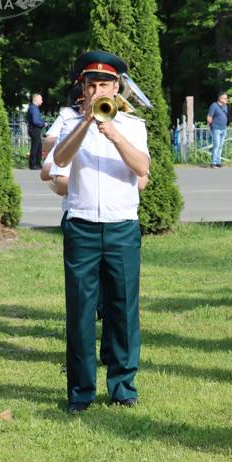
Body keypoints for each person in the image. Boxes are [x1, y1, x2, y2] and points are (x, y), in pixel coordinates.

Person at [51, 50, 150, 413]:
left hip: (122, 225)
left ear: (117, 87)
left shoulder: (133, 126)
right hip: (82, 226)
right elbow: (60, 160)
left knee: (123, 308)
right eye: (91, 85)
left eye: (104, 84)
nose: (97, 91)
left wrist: (114, 135)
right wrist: (87, 123)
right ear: (83, 88)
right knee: (79, 311)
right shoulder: (69, 123)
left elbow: (141, 168)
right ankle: (80, 391)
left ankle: (123, 386)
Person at [207, 92, 230, 168]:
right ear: (220, 98)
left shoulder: (225, 106)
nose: (227, 99)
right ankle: (213, 163)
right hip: (216, 128)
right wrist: (210, 126)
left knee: (220, 146)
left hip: (224, 128)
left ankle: (218, 162)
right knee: (216, 145)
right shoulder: (214, 106)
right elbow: (209, 117)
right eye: (225, 98)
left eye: (227, 98)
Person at [27, 93, 46, 170]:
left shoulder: (34, 108)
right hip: (34, 129)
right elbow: (35, 121)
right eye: (41, 99)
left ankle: (38, 163)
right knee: (35, 147)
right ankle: (33, 164)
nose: (42, 101)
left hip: (35, 129)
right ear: (36, 99)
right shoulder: (34, 108)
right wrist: (43, 123)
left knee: (38, 146)